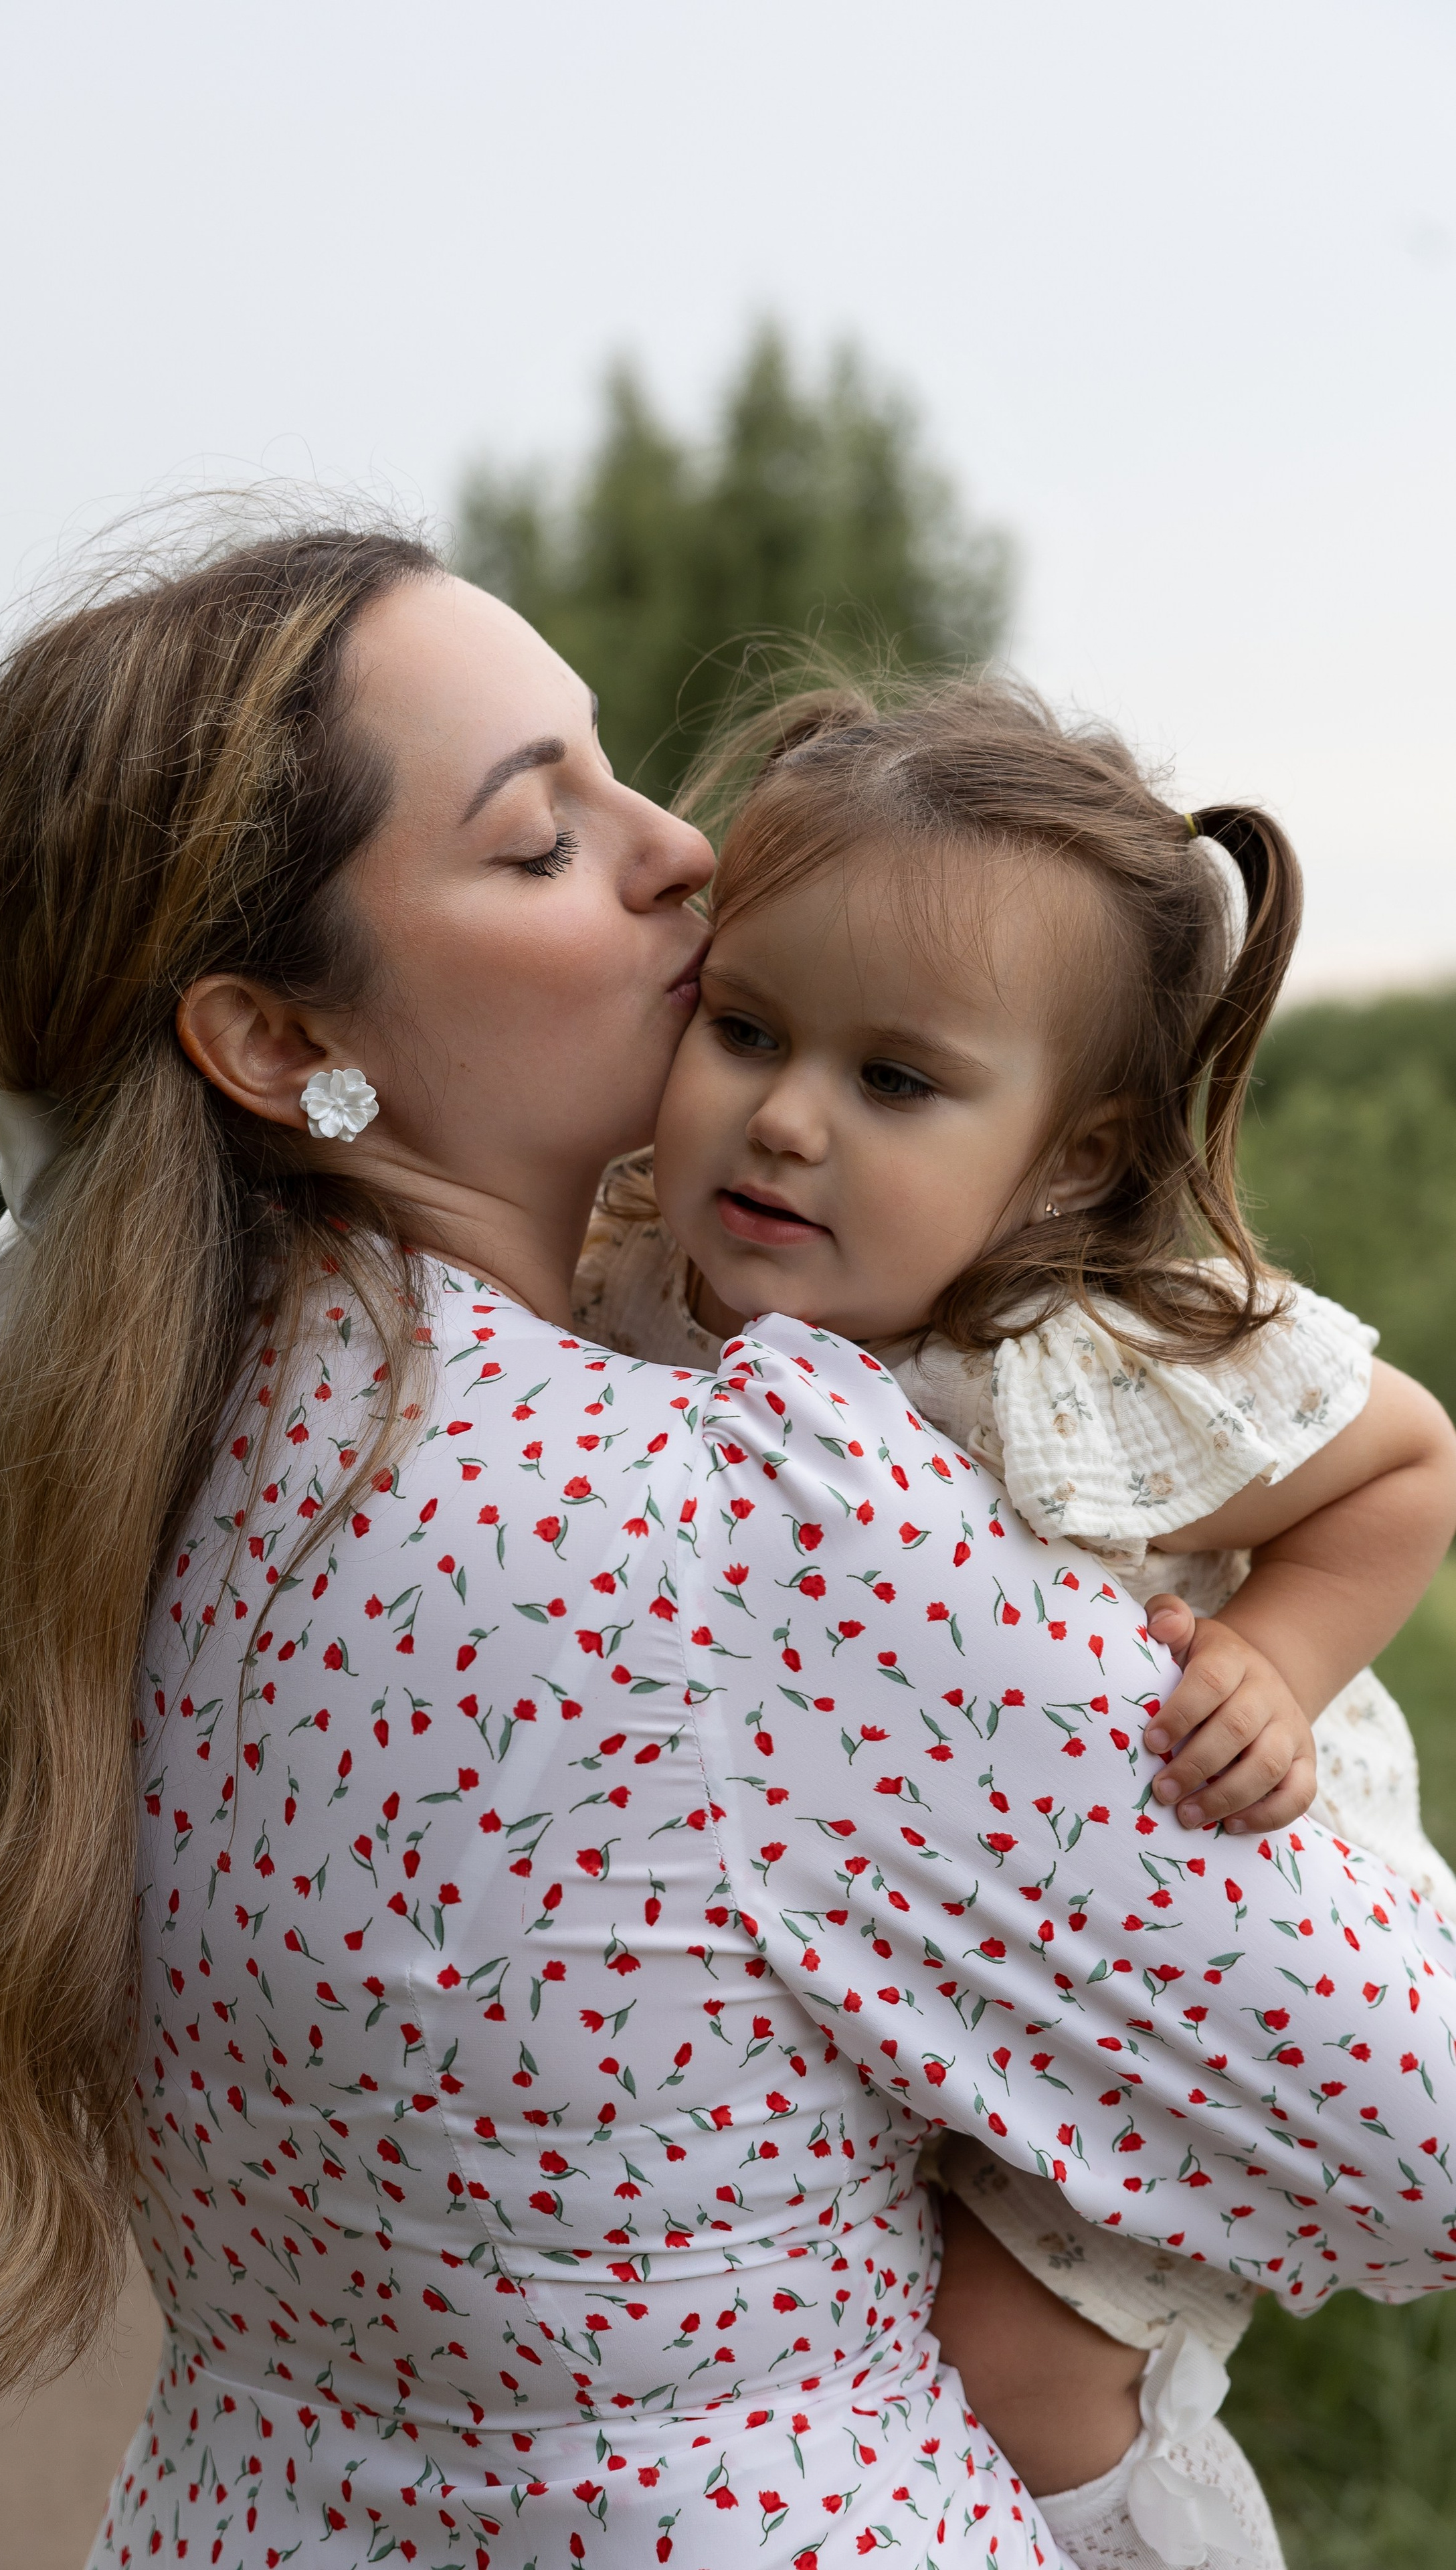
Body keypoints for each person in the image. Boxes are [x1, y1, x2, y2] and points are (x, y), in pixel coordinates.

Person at [0, 531, 1456, 2570]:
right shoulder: (729, 1521)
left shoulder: (110, 1436)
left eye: (620, 770)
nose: (684, 858)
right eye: (542, 841)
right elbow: (1416, 2126)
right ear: (273, 1045)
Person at [571, 675, 1456, 2563]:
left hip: (1196, 1896)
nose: (785, 1119)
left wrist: (1279, 1663)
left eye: (895, 1081)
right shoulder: (642, 1277)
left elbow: (1404, 1464)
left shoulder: (1073, 1357)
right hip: (911, 1935)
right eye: (742, 1027)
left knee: (1012, 2370)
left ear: (1063, 1155)